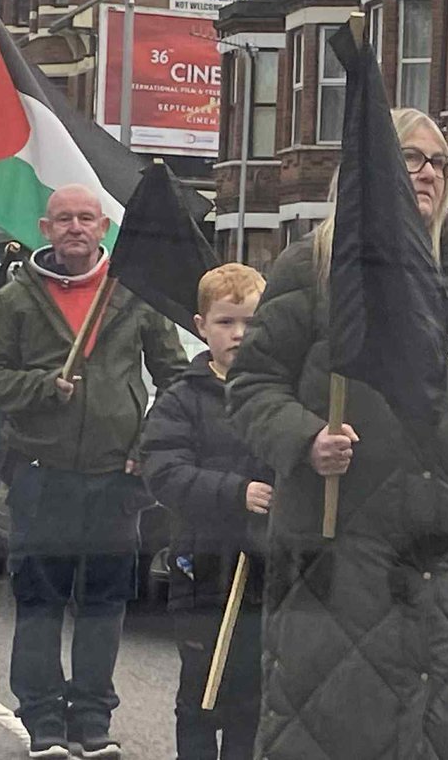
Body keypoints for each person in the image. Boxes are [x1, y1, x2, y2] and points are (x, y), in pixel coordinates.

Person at [226, 108, 448, 760]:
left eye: (438, 162)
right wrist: (306, 438)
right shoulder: (312, 269)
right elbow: (253, 384)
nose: (426, 173)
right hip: (339, 551)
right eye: (409, 158)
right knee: (333, 728)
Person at [0, 184, 187, 760]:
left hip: (117, 479)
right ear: (45, 229)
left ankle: (93, 718)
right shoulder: (16, 297)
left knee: (104, 605)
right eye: (64, 218)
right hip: (40, 475)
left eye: (86, 218)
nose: (75, 227)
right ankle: (43, 719)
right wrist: (44, 387)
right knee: (40, 603)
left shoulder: (132, 292)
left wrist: (147, 444)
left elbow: (175, 377)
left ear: (102, 229)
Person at [140, 263, 270, 760]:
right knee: (201, 694)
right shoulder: (182, 398)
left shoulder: (279, 395)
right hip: (202, 569)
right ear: (201, 326)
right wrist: (236, 493)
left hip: (265, 570)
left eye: (250, 323)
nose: (238, 334)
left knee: (252, 699)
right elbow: (164, 472)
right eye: (226, 322)